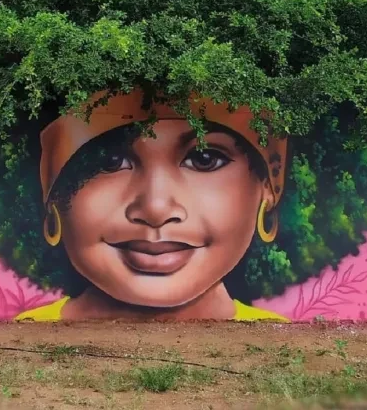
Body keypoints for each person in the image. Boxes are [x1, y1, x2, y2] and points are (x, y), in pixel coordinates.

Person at [16, 89, 290, 322]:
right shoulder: (21, 338)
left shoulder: (286, 347)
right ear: (53, 194)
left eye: (204, 159)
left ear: (266, 190)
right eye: (110, 162)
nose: (155, 209)